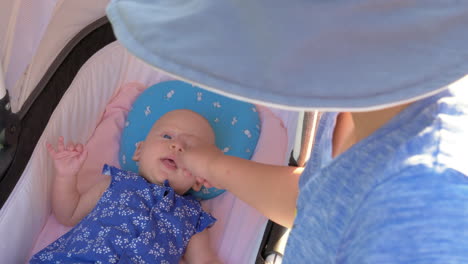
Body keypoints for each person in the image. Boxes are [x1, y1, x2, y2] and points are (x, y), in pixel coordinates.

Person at [30, 109, 222, 264]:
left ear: (199, 179)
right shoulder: (117, 182)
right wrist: (66, 175)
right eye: (167, 136)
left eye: (190, 148)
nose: (177, 146)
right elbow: (68, 214)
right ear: (139, 150)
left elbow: (204, 259)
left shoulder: (193, 215)